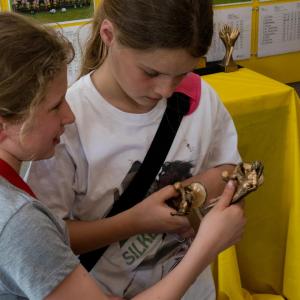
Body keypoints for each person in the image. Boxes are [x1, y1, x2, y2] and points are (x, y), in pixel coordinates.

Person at [0, 11, 247, 300]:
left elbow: (231, 169)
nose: (166, 90)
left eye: (181, 74)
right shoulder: (18, 220)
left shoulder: (200, 98)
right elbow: (47, 238)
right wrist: (206, 247)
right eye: (55, 106)